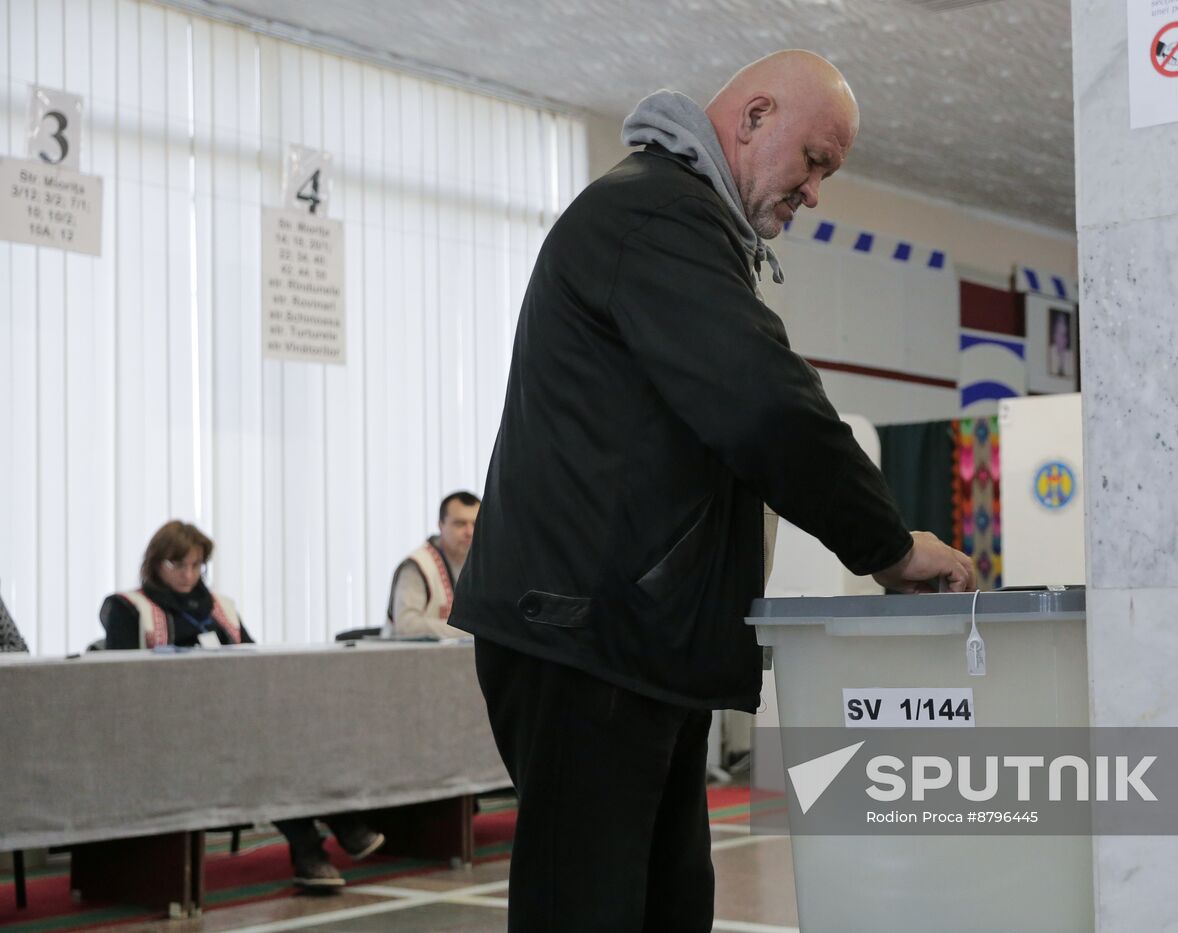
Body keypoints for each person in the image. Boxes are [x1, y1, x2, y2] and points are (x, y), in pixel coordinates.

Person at [450, 50, 974, 932]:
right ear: (754, 116)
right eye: (815, 160)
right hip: (591, 636)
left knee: (665, 903)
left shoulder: (674, 221)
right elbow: (766, 402)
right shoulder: (656, 214)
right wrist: (887, 544)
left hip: (623, 636)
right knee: (588, 907)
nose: (815, 193)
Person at [100, 521, 385, 889]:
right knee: (265, 752)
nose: (188, 575)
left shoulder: (221, 608)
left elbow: (254, 665)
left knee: (292, 737)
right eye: (177, 565)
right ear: (155, 564)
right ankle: (326, 835)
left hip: (233, 723)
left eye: (196, 565)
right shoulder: (127, 607)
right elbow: (117, 684)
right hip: (167, 734)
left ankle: (314, 848)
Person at [385, 491, 480, 638]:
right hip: (413, 659)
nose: (469, 532)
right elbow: (406, 626)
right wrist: (471, 630)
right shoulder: (417, 566)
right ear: (440, 525)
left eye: (475, 523)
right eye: (460, 524)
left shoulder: (483, 566)